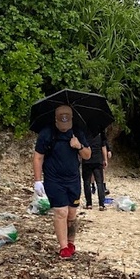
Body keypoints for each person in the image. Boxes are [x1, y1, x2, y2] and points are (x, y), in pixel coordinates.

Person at [33, 105, 92, 259]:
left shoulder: (78, 132)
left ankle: (71, 242)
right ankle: (63, 247)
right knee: (61, 212)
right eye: (61, 124)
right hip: (54, 179)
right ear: (56, 120)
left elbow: (87, 155)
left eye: (67, 124)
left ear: (71, 120)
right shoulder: (47, 133)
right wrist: (38, 180)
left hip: (73, 179)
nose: (64, 127)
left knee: (72, 213)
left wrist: (78, 146)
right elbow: (38, 157)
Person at [82, 131, 111, 210]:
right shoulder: (100, 133)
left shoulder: (84, 133)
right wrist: (105, 160)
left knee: (86, 183)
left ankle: (89, 204)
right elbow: (103, 147)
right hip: (98, 160)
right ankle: (101, 204)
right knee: (100, 183)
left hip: (86, 161)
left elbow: (81, 147)